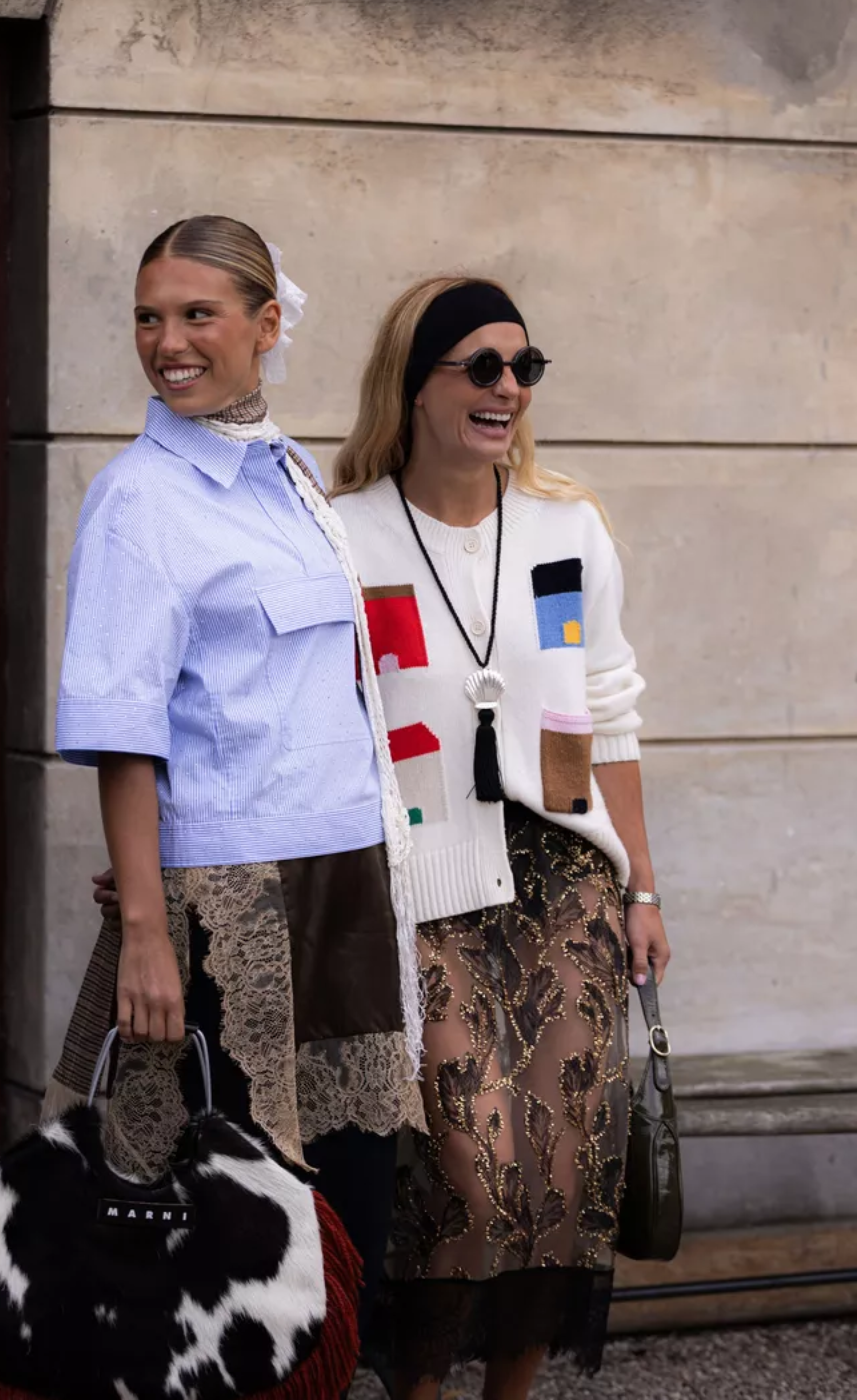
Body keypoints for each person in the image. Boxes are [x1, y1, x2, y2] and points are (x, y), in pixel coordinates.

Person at [46, 214, 426, 1354]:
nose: (168, 342)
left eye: (197, 314)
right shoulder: (139, 498)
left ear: (267, 326)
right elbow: (126, 730)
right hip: (231, 903)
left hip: (344, 881)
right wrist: (151, 929)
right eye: (150, 317)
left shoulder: (293, 474)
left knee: (345, 1217)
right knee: (217, 1229)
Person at [326, 276, 672, 1398]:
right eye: (481, 366)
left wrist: (643, 889)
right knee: (461, 1174)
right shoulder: (347, 534)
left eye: (524, 367)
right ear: (415, 383)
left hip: (566, 876)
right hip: (421, 878)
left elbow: (600, 708)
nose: (508, 388)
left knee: (562, 1173)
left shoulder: (567, 530)